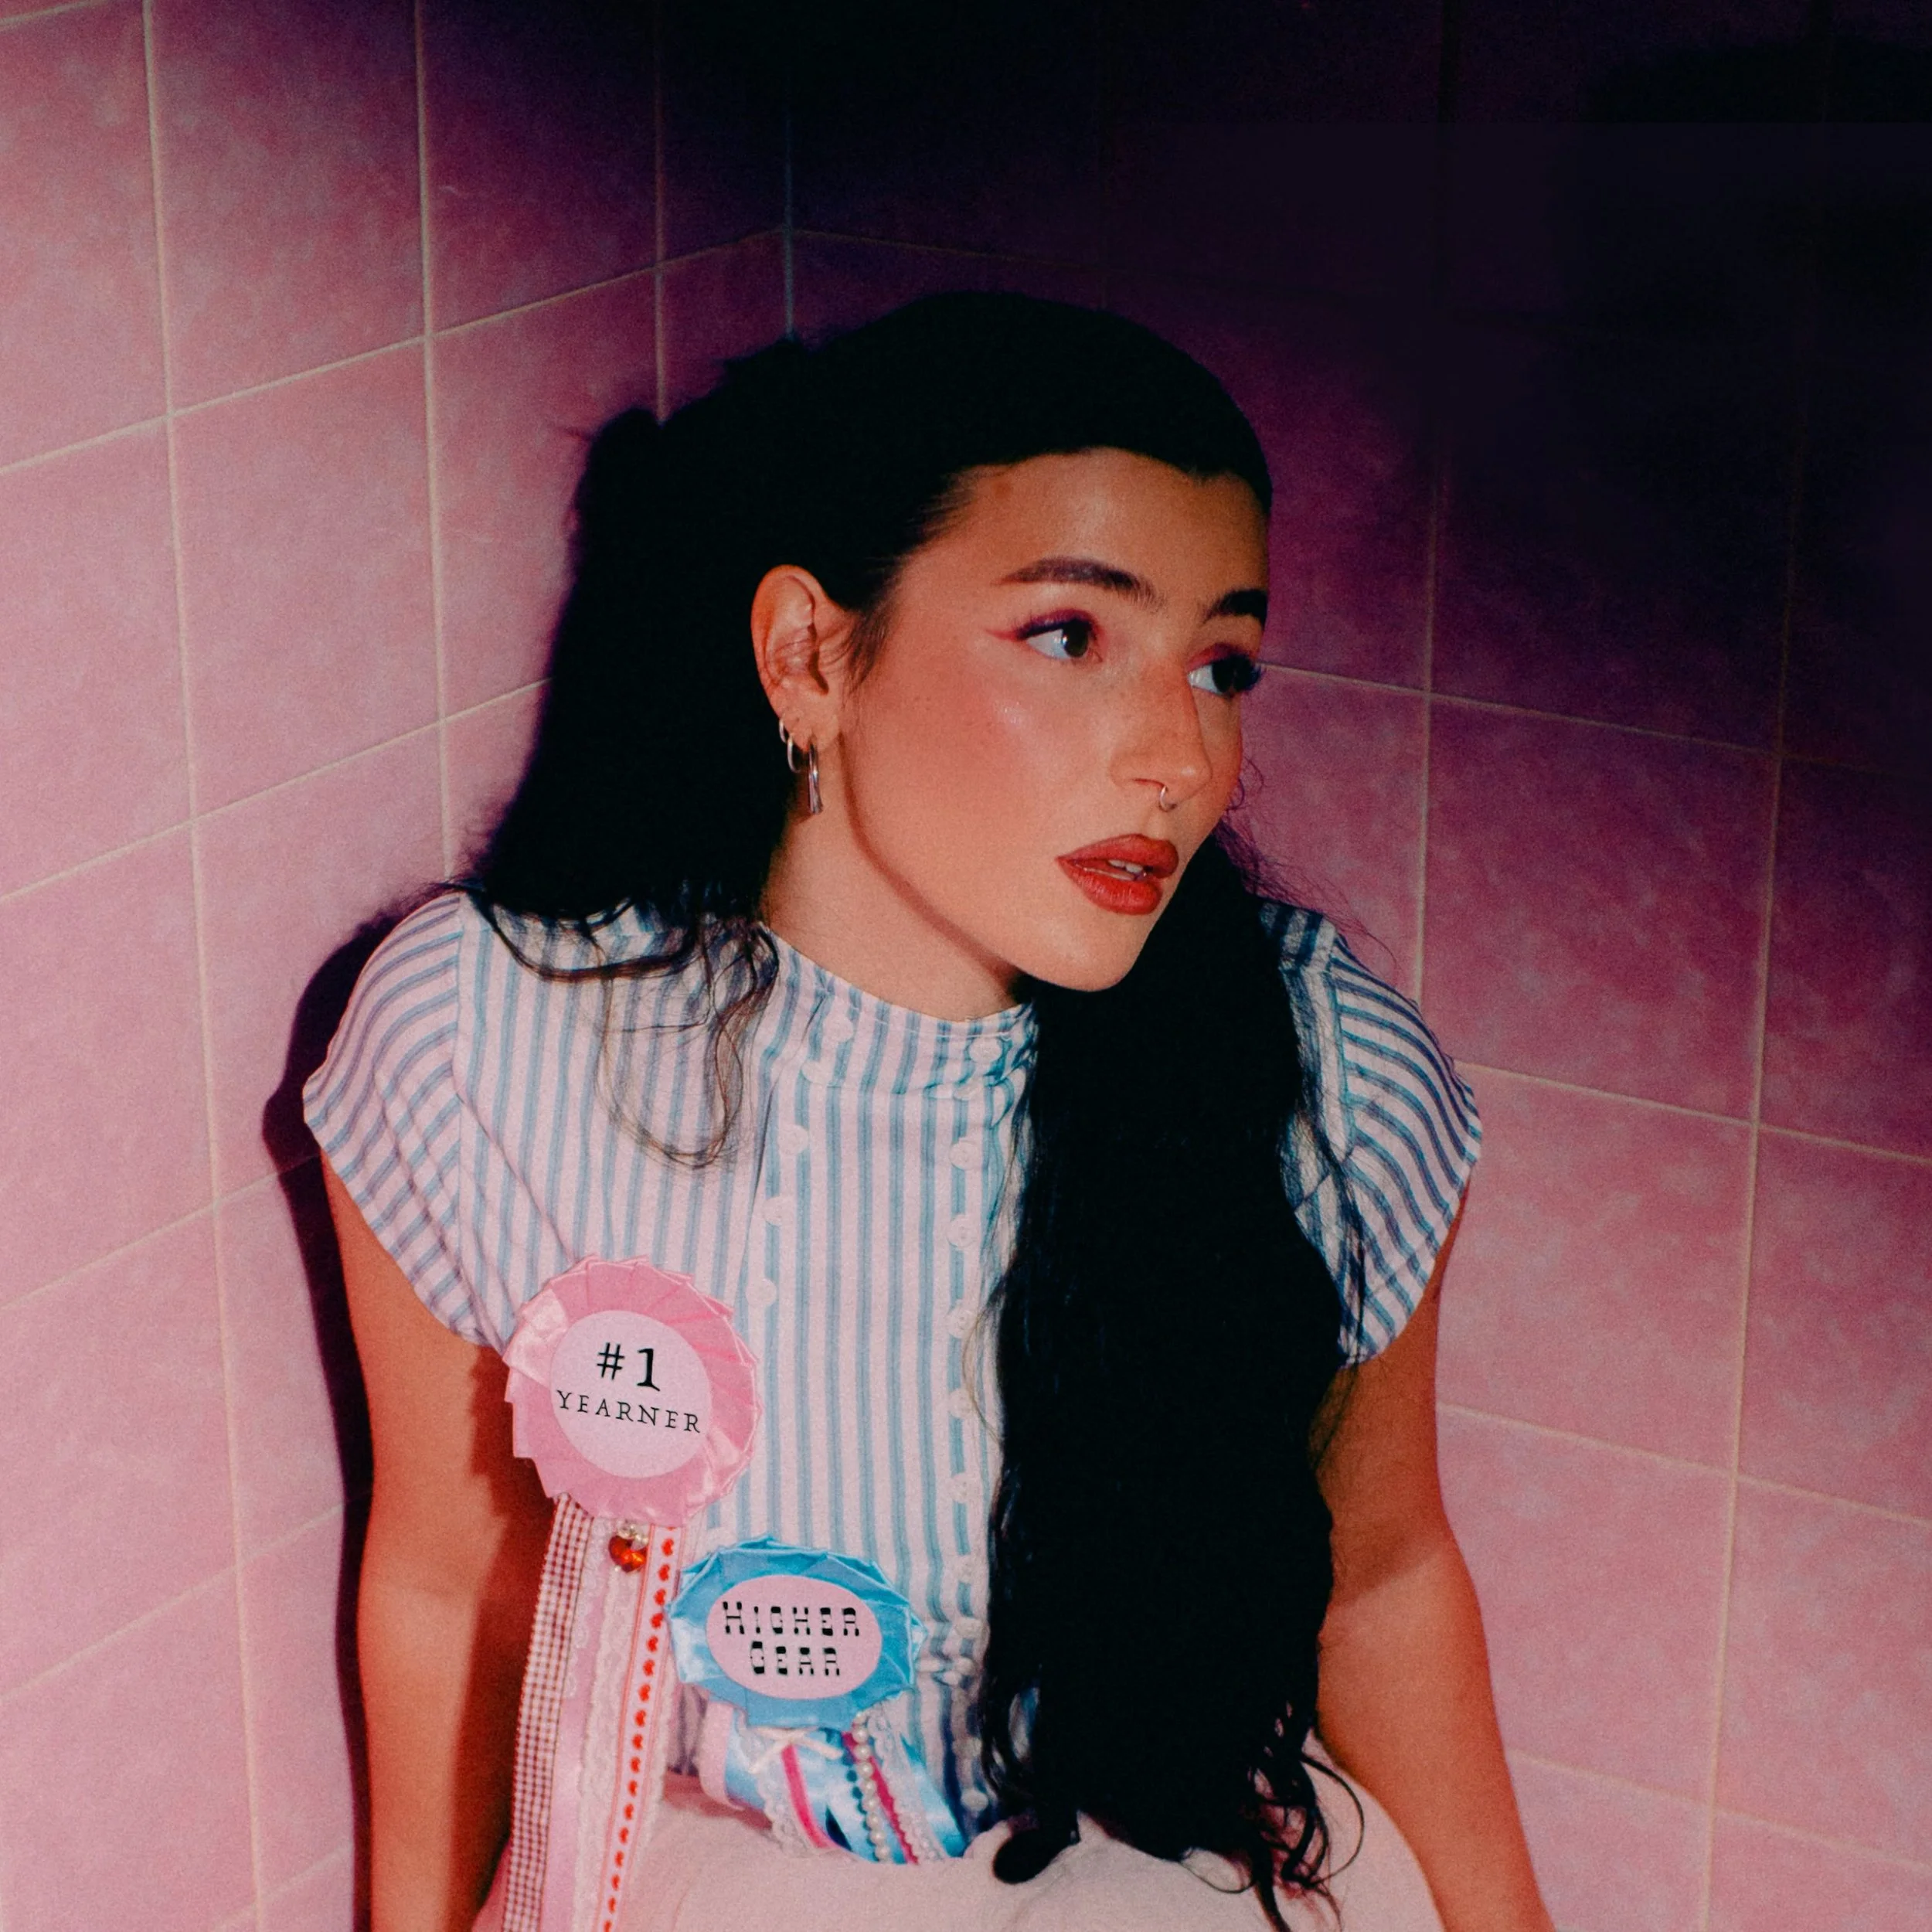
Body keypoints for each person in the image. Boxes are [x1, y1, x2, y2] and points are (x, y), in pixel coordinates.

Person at [307, 294, 1553, 1932]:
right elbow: (449, 1583)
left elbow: (1380, 1578)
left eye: (1221, 664)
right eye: (1070, 636)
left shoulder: (1321, 1070)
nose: (1180, 758)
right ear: (811, 656)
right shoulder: (483, 1038)